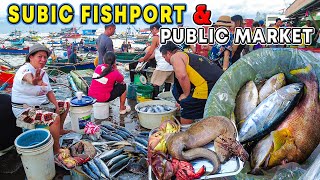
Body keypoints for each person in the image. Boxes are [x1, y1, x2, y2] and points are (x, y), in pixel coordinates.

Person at [11, 43, 70, 154]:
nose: (43, 59)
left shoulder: (43, 73)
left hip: (41, 106)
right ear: (31, 57)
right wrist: (33, 81)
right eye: (40, 56)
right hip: (24, 111)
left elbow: (50, 92)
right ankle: (56, 150)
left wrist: (56, 106)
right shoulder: (24, 69)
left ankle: (60, 130)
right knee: (54, 118)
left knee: (66, 104)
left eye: (45, 57)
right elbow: (28, 78)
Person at [160, 41, 223, 124]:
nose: (165, 60)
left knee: (188, 109)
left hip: (207, 86)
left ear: (168, 53)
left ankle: (186, 132)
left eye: (164, 57)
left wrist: (186, 95)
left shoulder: (175, 57)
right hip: (220, 84)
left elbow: (182, 76)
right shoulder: (188, 55)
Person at [138, 23, 174, 97]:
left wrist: (143, 58)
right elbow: (156, 53)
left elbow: (150, 52)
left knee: (154, 82)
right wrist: (146, 59)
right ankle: (165, 98)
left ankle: (155, 100)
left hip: (162, 65)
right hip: (171, 65)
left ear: (154, 28)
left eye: (151, 31)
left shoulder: (156, 37)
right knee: (168, 82)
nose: (152, 33)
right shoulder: (167, 35)